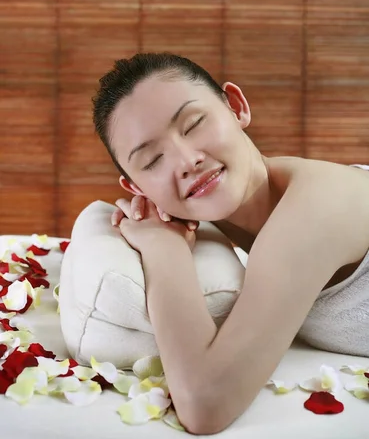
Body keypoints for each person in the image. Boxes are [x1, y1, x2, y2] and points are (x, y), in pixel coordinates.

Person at [92, 52, 369, 435]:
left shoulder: (317, 209)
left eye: (194, 124)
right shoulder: (236, 230)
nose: (187, 160)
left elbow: (206, 405)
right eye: (153, 159)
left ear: (236, 107)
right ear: (137, 188)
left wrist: (163, 249)